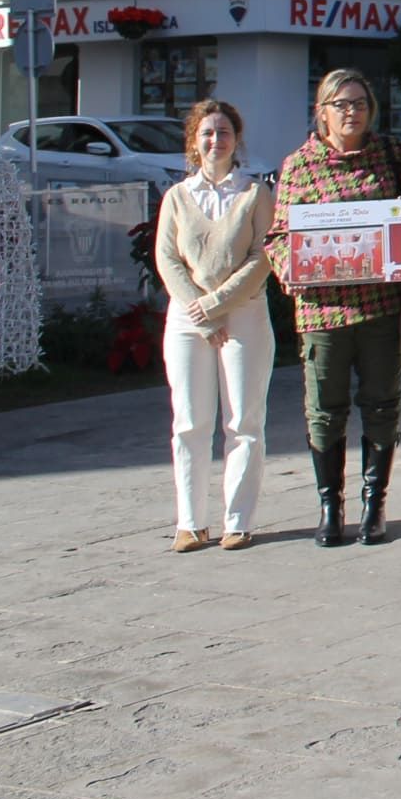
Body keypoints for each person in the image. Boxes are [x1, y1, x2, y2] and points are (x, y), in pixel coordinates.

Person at [268, 70, 401, 548]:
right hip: (322, 312)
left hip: (380, 308)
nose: (351, 111)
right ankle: (329, 506)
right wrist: (288, 268)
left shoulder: (391, 156)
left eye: (359, 103)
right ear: (321, 111)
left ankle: (373, 503)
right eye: (341, 104)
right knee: (325, 410)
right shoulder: (299, 166)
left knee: (382, 405)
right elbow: (278, 236)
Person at [155, 98, 278, 553]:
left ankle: (238, 521)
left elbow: (264, 255)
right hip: (188, 320)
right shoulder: (177, 198)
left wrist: (220, 303)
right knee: (189, 421)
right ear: (194, 141)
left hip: (244, 314)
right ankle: (190, 522)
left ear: (236, 140)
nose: (215, 140)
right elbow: (167, 259)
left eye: (223, 132)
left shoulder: (254, 194)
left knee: (244, 420)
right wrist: (199, 311)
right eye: (207, 132)